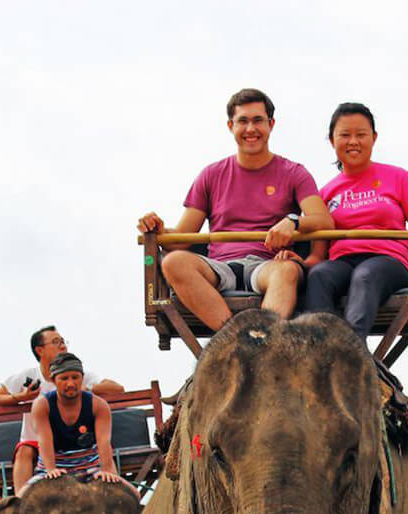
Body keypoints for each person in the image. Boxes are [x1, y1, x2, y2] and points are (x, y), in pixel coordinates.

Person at [137, 87, 332, 331]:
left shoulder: (294, 173)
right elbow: (179, 240)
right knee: (173, 262)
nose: (251, 129)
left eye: (258, 120)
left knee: (286, 272)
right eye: (243, 121)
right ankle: (237, 342)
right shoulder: (211, 175)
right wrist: (159, 228)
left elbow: (323, 221)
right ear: (231, 126)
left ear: (271, 124)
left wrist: (293, 221)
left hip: (267, 265)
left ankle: (263, 339)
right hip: (220, 267)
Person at [303, 102, 408, 340]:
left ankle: (353, 350)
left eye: (361, 135)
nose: (353, 141)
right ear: (331, 140)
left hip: (387, 262)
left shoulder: (398, 177)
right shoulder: (326, 192)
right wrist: (294, 260)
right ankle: (324, 348)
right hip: (343, 262)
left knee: (365, 275)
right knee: (319, 275)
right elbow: (318, 253)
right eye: (345, 135)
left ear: (374, 138)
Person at [0, 326, 125, 493]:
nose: (63, 346)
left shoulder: (77, 373)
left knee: (104, 448)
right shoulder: (27, 377)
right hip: (37, 440)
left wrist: (84, 389)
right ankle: (19, 504)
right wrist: (20, 397)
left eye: (63, 341)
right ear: (40, 350)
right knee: (24, 451)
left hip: (80, 441)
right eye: (56, 342)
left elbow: (117, 388)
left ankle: (115, 488)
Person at [22, 352, 132, 493]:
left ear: (82, 378)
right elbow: (44, 440)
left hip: (91, 465)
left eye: (75, 377)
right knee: (21, 498)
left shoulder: (99, 405)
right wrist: (51, 470)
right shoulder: (42, 405)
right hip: (52, 468)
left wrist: (106, 470)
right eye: (64, 378)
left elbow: (104, 442)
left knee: (132, 494)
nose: (70, 383)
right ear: (53, 380)